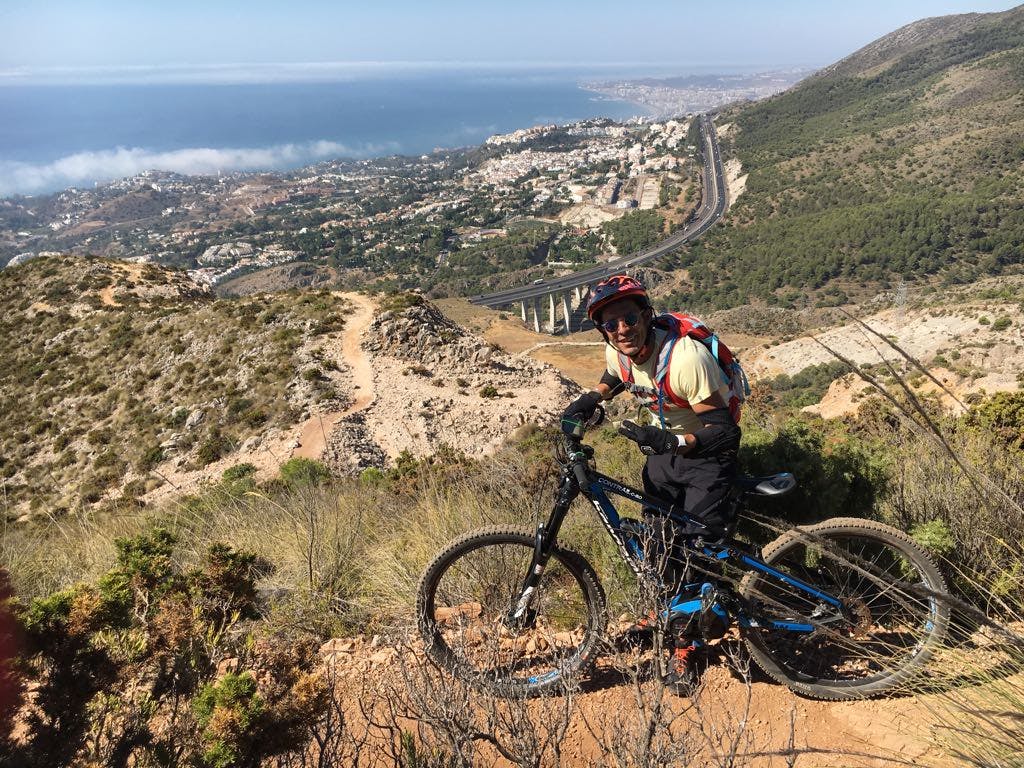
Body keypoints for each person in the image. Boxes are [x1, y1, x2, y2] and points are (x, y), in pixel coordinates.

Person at [560, 274, 742, 685]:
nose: (621, 330)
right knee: (660, 541)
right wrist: (594, 397)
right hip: (663, 455)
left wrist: (674, 439)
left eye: (628, 319)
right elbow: (617, 374)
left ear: (646, 314)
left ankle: (688, 646)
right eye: (610, 324)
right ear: (602, 329)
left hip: (706, 456)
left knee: (695, 552)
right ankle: (671, 609)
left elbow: (726, 433)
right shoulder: (620, 352)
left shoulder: (684, 359)